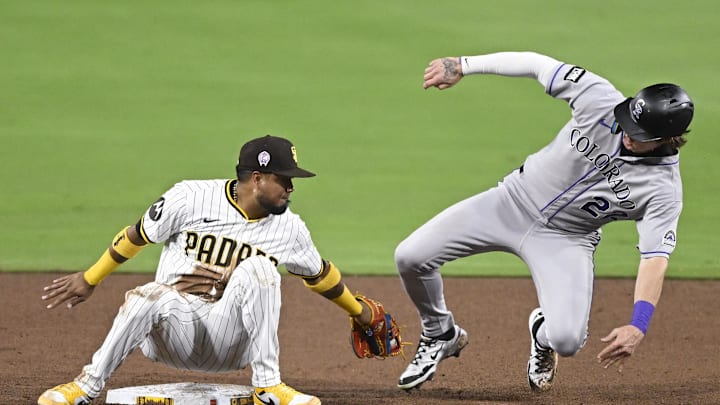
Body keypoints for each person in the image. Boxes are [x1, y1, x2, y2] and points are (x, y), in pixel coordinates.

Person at [395, 51, 694, 392]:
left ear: (667, 139)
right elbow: (537, 64)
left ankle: (542, 334)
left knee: (567, 340)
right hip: (508, 202)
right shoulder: (600, 99)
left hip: (566, 239)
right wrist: (463, 65)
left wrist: (638, 324)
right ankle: (439, 332)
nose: (627, 133)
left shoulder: (663, 191)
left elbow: (655, 258)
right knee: (410, 256)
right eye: (629, 122)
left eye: (639, 133)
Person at [38, 135, 381, 405]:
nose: (291, 188)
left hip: (230, 341)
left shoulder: (290, 228)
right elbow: (137, 234)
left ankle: (267, 388)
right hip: (173, 333)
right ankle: (84, 388)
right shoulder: (190, 197)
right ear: (257, 179)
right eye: (284, 179)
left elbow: (319, 274)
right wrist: (90, 277)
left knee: (260, 269)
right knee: (149, 295)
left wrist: (360, 312)